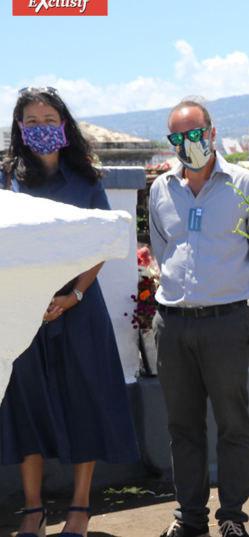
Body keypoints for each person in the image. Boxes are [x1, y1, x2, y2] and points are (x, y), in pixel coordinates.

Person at [0, 86, 140, 537]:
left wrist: (74, 295)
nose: (41, 129)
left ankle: (80, 508)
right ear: (20, 130)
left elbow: (102, 245)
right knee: (26, 406)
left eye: (48, 120)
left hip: (77, 307)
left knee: (85, 401)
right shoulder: (7, 179)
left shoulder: (86, 178)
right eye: (32, 122)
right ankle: (33, 509)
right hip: (25, 310)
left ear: (64, 124)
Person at [149, 99, 249, 537]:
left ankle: (233, 518)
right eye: (178, 137)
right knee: (182, 427)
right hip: (173, 324)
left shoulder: (246, 184)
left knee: (232, 424)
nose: (188, 143)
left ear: (212, 133)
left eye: (195, 133)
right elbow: (163, 247)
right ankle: (190, 517)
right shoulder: (161, 188)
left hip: (226, 322)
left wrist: (237, 289)